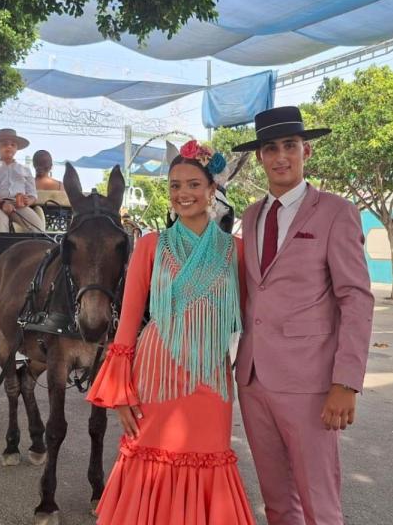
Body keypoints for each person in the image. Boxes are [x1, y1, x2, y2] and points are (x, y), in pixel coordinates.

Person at [87, 139, 255, 525]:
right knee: (149, 462)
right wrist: (121, 391)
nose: (183, 193)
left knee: (208, 459)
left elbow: (249, 319)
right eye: (175, 185)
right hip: (154, 375)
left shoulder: (237, 251)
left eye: (194, 184)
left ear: (213, 190)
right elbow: (128, 321)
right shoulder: (150, 246)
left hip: (211, 377)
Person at [232, 106, 375, 525]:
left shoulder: (335, 211)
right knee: (277, 501)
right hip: (253, 378)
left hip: (311, 383)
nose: (280, 156)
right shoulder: (253, 214)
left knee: (319, 503)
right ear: (260, 156)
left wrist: (346, 382)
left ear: (306, 151)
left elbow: (356, 299)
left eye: (289, 146)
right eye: (270, 148)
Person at [0, 128, 45, 232]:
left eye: (13, 145)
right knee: (0, 220)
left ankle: (30, 248)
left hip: (18, 206)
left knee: (37, 226)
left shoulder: (25, 170)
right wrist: (2, 204)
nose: (9, 147)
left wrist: (27, 201)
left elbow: (33, 194)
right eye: (5, 144)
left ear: (17, 148)